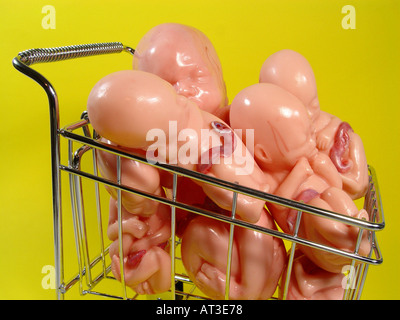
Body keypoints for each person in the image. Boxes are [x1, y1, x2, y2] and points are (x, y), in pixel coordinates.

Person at [259, 49, 368, 199]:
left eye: (314, 104)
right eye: (300, 110)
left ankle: (350, 182)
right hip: (315, 191)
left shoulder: (328, 125)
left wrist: (328, 132)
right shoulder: (273, 133)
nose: (310, 115)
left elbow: (336, 121)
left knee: (354, 141)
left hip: (338, 166)